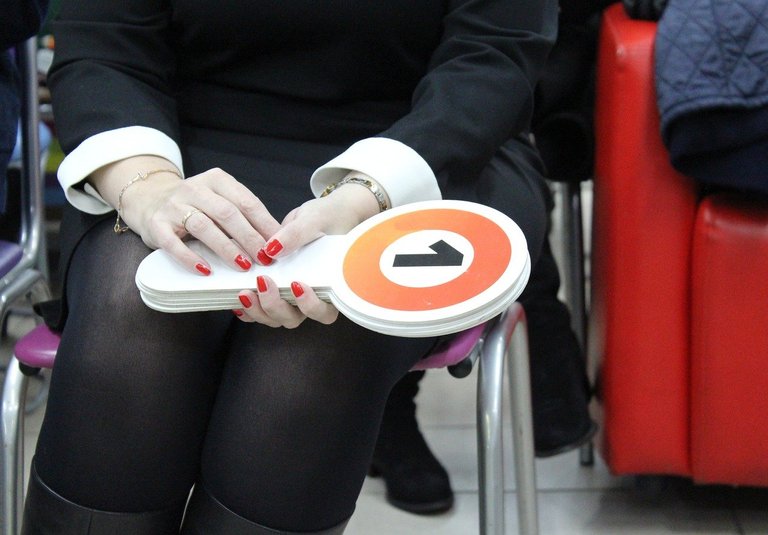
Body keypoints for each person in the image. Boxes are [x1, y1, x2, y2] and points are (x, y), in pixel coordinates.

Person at [24, 1, 559, 534]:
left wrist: (368, 192)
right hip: (181, 148)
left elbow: (494, 53)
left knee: (324, 329)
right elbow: (102, 37)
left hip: (432, 152)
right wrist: (148, 185)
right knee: (138, 295)